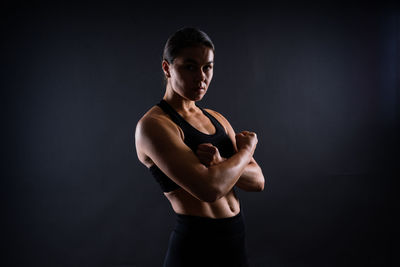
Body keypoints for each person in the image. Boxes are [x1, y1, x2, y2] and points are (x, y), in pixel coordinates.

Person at [134, 27, 265, 267]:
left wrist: (221, 164)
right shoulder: (153, 125)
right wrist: (246, 151)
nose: (201, 77)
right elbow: (209, 189)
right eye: (190, 67)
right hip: (196, 248)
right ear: (167, 68)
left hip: (235, 242)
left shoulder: (216, 118)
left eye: (208, 67)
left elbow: (257, 181)